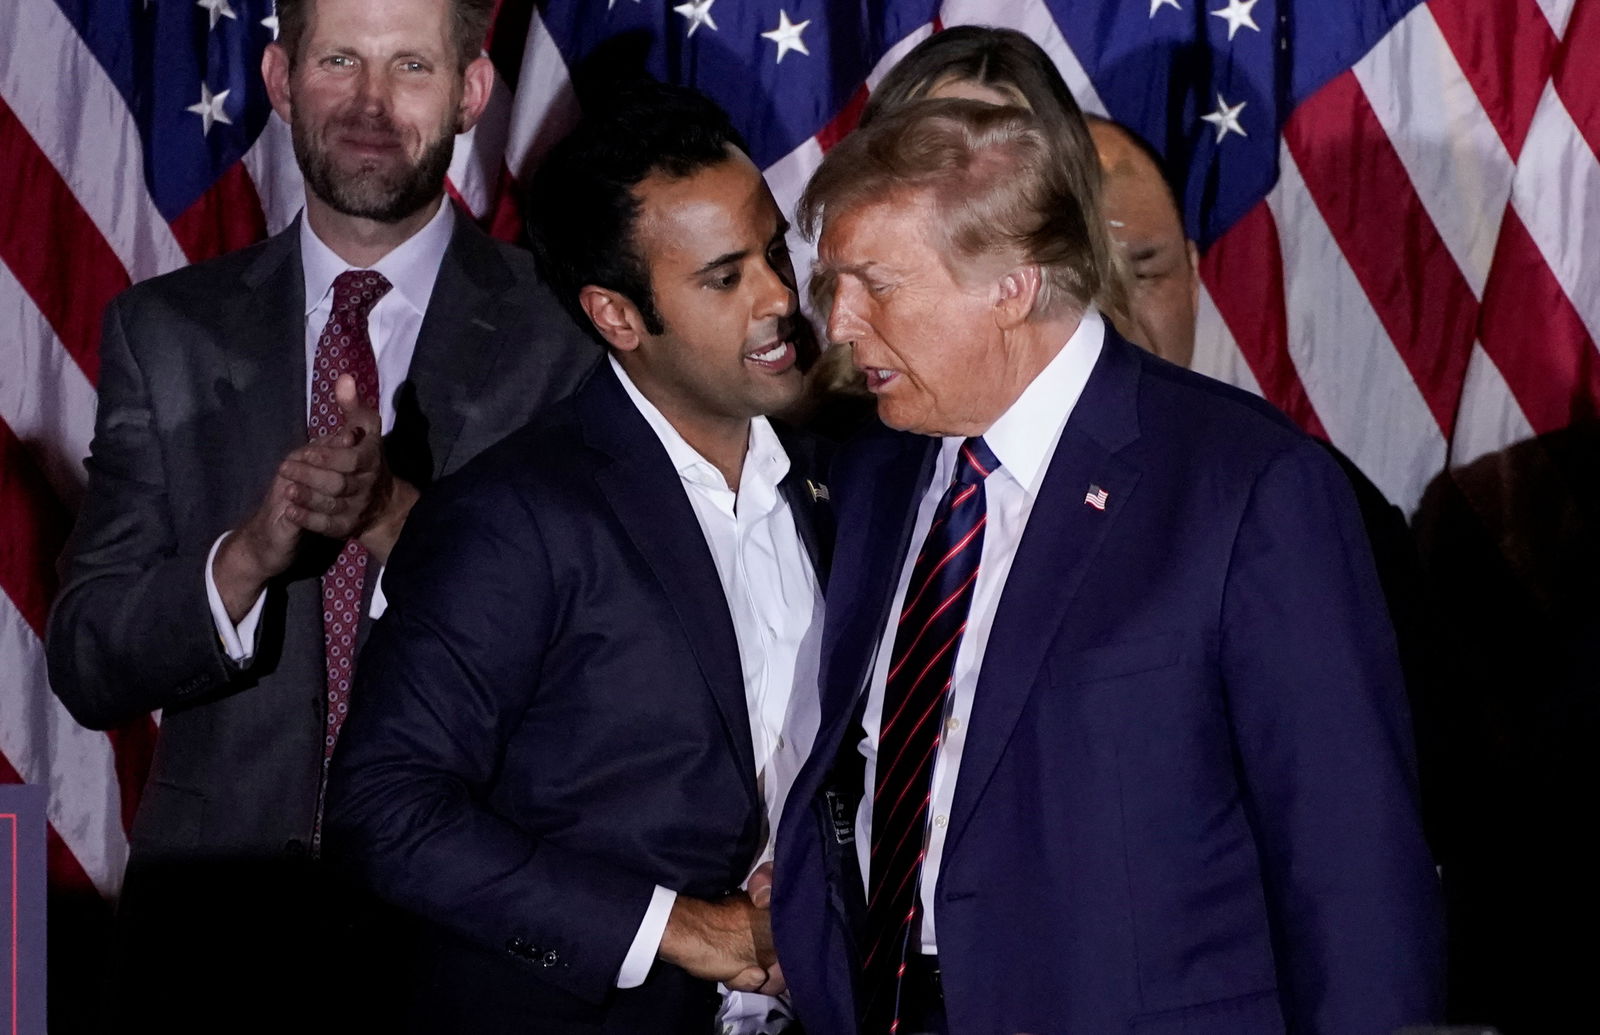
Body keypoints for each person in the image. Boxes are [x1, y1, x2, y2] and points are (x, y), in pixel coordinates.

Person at [773, 98, 1444, 1035]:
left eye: (874, 284)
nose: (839, 323)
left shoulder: (1247, 486)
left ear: (1012, 285)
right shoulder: (877, 472)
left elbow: (1352, 869)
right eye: (832, 282)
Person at [44, 0, 597, 1027]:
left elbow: (603, 663)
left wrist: (398, 518)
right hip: (210, 957)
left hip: (468, 950)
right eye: (339, 59)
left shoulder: (568, 336)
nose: (370, 103)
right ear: (279, 81)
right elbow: (86, 660)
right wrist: (247, 555)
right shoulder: (163, 334)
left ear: (472, 92)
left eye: (411, 67)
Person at [325, 80, 831, 1034]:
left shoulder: (843, 475)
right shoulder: (515, 515)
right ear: (617, 316)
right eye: (724, 278)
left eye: (773, 253)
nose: (777, 297)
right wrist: (683, 930)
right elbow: (384, 808)